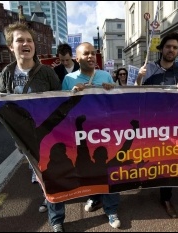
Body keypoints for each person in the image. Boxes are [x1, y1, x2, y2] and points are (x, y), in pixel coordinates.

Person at [0, 22, 62, 229]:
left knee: (49, 174)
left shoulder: (47, 73)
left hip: (47, 136)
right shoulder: (6, 73)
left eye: (29, 40)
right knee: (41, 176)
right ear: (11, 47)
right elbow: (2, 103)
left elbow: (60, 102)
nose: (26, 43)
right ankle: (48, 196)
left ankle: (56, 219)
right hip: (22, 138)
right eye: (20, 40)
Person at [53, 42, 120, 230]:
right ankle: (94, 197)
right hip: (80, 134)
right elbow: (62, 108)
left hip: (104, 132)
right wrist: (71, 94)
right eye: (86, 54)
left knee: (107, 171)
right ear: (77, 58)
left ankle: (112, 209)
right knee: (87, 169)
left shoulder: (105, 75)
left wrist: (112, 91)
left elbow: (117, 104)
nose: (91, 56)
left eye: (93, 53)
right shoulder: (68, 78)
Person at [136, 32, 178, 218]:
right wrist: (138, 79)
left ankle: (166, 198)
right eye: (168, 46)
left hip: (169, 127)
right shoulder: (148, 68)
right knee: (145, 158)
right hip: (148, 125)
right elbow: (135, 94)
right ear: (161, 48)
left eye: (175, 48)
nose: (171, 50)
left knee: (168, 162)